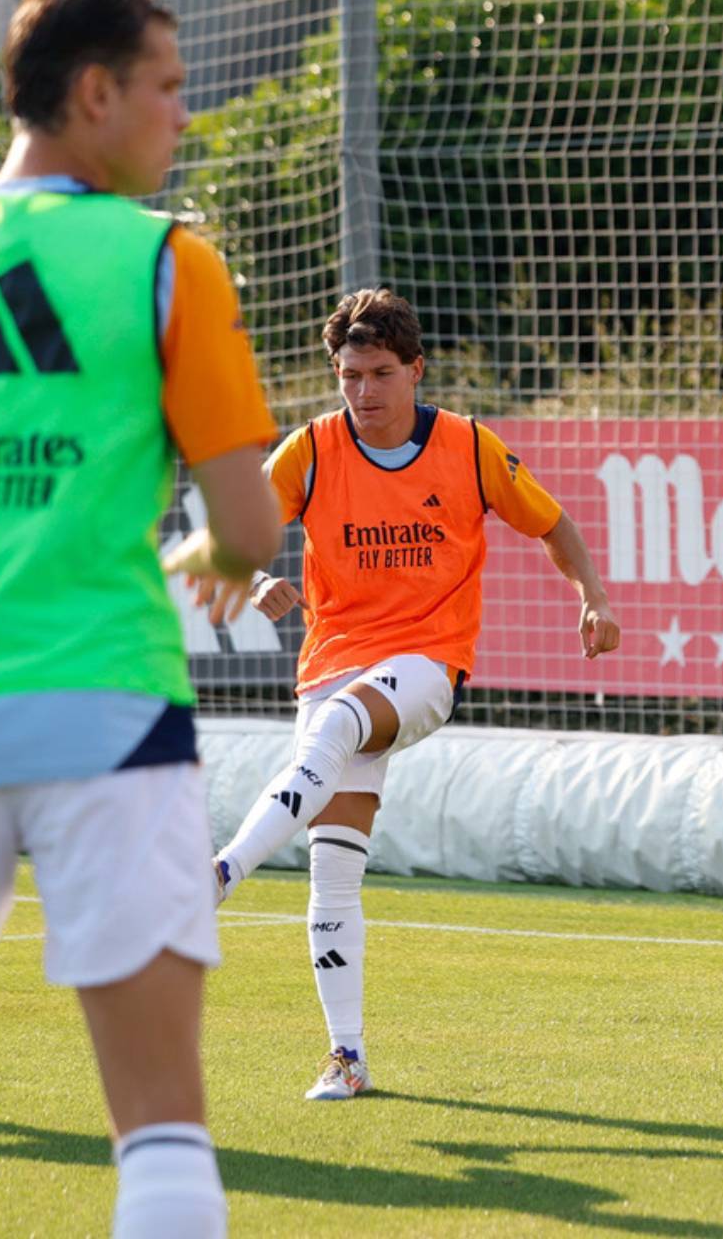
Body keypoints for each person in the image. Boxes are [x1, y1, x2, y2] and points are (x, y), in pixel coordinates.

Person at [0, 0, 281, 1238]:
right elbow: (253, 524)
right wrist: (212, 545)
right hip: (106, 706)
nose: (181, 114)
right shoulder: (167, 259)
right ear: (93, 93)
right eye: (165, 87)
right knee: (161, 1135)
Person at [180, 287, 622, 1100]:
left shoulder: (469, 446)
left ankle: (220, 874)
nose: (364, 391)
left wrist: (592, 596)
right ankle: (346, 1058)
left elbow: (554, 525)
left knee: (345, 725)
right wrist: (257, 577)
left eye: (381, 372)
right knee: (334, 871)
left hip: (427, 663)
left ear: (416, 370)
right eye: (349, 374)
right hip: (330, 662)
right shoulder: (309, 449)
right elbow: (227, 537)